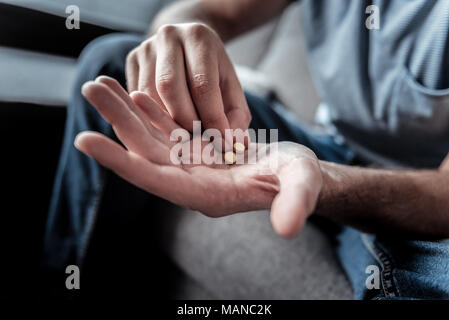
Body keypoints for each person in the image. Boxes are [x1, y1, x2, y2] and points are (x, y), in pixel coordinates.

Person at [43, 0, 449, 300]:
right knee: (113, 63)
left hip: (422, 181)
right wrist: (179, 35)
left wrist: (323, 180)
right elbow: (211, 10)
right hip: (330, 141)